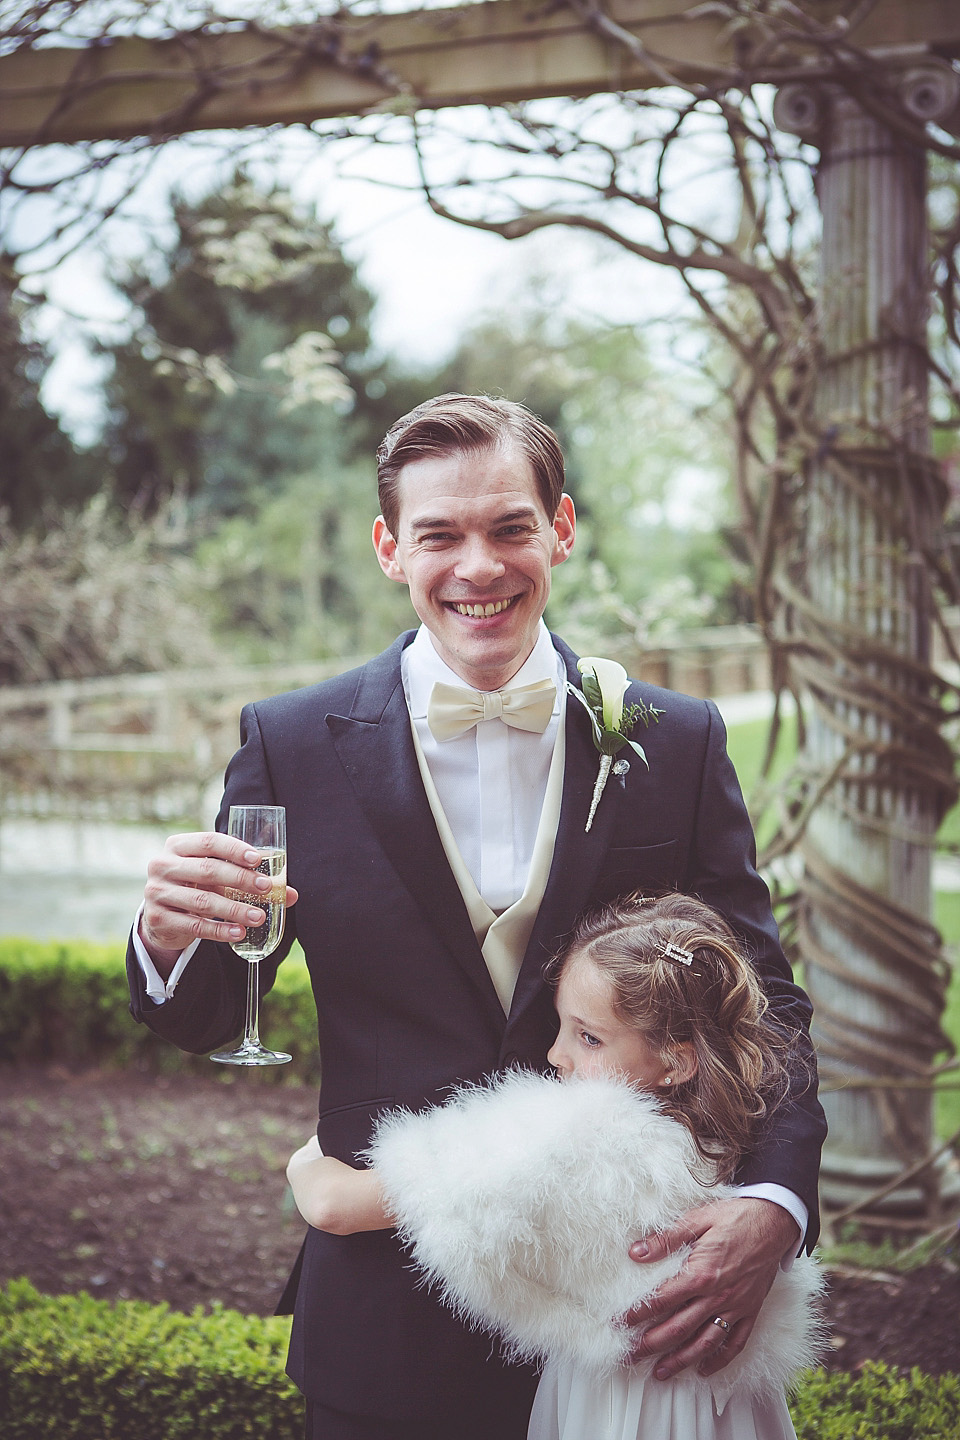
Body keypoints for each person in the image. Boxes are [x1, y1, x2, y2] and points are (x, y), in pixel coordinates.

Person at [126, 394, 826, 1440]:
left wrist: (776, 1207)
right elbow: (216, 1015)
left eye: (509, 527)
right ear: (388, 550)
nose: (479, 566)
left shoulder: (674, 741)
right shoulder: (291, 743)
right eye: (439, 535)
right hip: (391, 1314)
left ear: (562, 529)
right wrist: (169, 940)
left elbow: (760, 1002)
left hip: (632, 1306)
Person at [287, 891, 824, 1440]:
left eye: (588, 1037)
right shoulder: (725, 1126)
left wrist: (307, 1158)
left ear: (677, 1059)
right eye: (561, 1026)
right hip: (727, 1406)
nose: (555, 1055)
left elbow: (335, 1207)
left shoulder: (581, 1142)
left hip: (624, 1406)